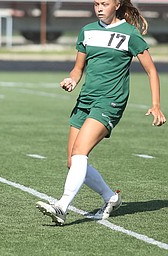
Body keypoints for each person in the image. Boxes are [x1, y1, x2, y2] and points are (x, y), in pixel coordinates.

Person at [36, 0, 166, 225]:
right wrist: (72, 80)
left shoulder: (129, 33)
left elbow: (152, 71)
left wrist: (156, 105)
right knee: (72, 161)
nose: (99, 7)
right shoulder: (87, 31)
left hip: (110, 102)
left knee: (79, 153)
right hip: (85, 100)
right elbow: (78, 69)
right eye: (96, 3)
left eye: (104, 3)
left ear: (116, 5)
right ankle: (111, 197)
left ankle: (62, 206)